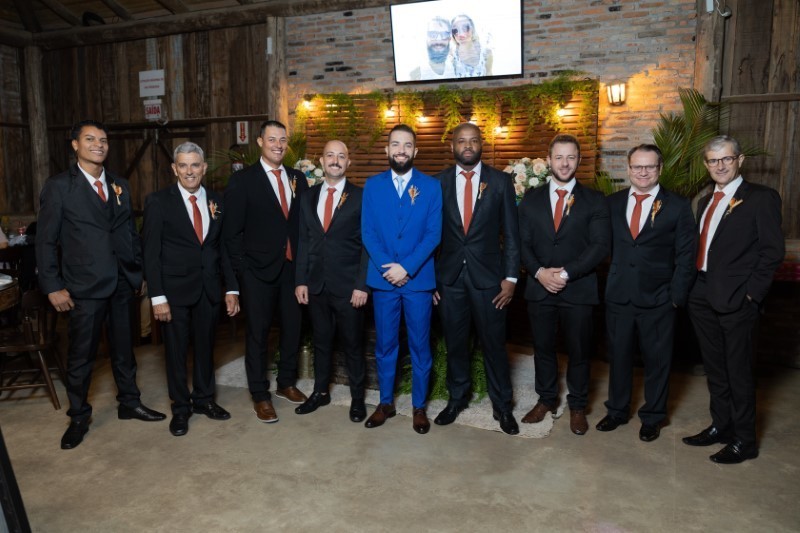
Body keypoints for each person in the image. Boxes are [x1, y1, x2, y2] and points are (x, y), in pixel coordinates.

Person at [36, 119, 166, 450]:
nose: (99, 145)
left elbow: (128, 233)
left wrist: (137, 273)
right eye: (90, 139)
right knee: (82, 357)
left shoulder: (119, 184)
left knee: (125, 351)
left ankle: (129, 403)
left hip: (121, 283)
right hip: (83, 287)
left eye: (103, 140)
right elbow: (46, 241)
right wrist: (52, 286)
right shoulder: (59, 187)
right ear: (75, 145)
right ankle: (79, 417)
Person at [684, 135, 784, 464]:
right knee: (715, 369)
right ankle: (721, 426)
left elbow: (772, 252)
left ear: (740, 160)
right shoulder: (704, 202)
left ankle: (745, 440)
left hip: (738, 300)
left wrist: (752, 294)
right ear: (706, 165)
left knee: (738, 372)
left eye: (726, 159)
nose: (720, 165)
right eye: (713, 160)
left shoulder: (761, 198)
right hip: (702, 294)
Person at [596, 144, 696, 442]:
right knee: (619, 357)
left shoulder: (678, 206)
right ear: (628, 169)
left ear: (660, 169)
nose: (643, 172)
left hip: (659, 299)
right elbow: (599, 245)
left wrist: (676, 297)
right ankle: (616, 411)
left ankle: (653, 416)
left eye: (650, 166)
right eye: (637, 166)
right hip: (619, 296)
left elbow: (686, 255)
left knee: (658, 361)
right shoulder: (611, 203)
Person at [142, 142, 240, 437]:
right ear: (174, 169)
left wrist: (231, 289)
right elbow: (150, 253)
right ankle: (181, 408)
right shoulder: (158, 202)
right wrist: (157, 297)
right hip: (173, 292)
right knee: (175, 353)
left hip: (208, 289)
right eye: (183, 165)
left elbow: (223, 248)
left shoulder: (217, 201)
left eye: (195, 165)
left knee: (206, 348)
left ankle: (204, 399)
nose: (189, 171)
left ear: (204, 168)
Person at [517, 133, 610, 435]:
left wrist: (566, 274)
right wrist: (539, 272)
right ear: (549, 160)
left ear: (579, 160)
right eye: (559, 157)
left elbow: (599, 246)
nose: (565, 163)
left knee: (579, 351)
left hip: (578, 289)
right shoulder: (531, 199)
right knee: (543, 348)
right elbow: (522, 243)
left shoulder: (594, 200)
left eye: (571, 157)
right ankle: (546, 399)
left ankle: (578, 406)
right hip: (539, 288)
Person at [432, 123, 520, 435]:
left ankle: (503, 406)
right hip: (449, 279)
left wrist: (511, 278)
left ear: (481, 144)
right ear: (452, 146)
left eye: (473, 140)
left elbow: (512, 235)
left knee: (494, 345)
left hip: (491, 281)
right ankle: (457, 399)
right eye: (461, 141)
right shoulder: (437, 183)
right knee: (455, 343)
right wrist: (431, 280)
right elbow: (429, 235)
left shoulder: (500, 182)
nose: (467, 146)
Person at [223, 120, 309, 423]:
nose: (278, 145)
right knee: (258, 335)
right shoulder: (243, 180)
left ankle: (286, 382)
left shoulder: (298, 177)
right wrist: (242, 271)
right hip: (257, 272)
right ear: (260, 142)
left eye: (282, 140)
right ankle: (260, 395)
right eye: (272, 139)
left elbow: (301, 225)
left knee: (293, 328)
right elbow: (231, 233)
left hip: (292, 269)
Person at [361, 124, 442, 434]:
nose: (401, 150)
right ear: (387, 149)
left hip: (418, 281)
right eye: (395, 144)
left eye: (407, 145)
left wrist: (406, 268)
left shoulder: (431, 187)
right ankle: (385, 403)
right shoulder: (372, 186)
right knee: (385, 345)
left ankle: (419, 407)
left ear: (415, 151)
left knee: (420, 345)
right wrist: (388, 268)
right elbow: (368, 232)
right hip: (384, 281)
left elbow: (433, 234)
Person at [294, 140, 369, 422]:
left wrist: (362, 285)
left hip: (349, 287)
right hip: (316, 284)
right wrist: (300, 280)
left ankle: (358, 398)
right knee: (321, 341)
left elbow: (369, 246)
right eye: (330, 155)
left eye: (341, 156)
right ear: (322, 162)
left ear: (348, 162)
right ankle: (320, 392)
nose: (335, 160)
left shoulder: (361, 197)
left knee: (353, 344)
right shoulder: (308, 197)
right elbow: (304, 240)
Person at [409, 17, 455, 81]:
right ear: (426, 39)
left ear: (449, 39)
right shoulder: (416, 74)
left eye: (444, 34)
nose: (439, 39)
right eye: (433, 34)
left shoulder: (457, 69)